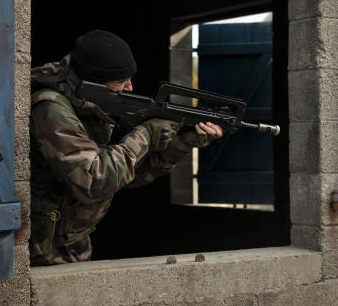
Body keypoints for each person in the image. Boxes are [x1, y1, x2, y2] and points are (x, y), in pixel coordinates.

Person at [28, 29, 222, 264]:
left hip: (71, 244)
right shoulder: (51, 110)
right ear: (92, 81)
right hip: (41, 253)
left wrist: (182, 143)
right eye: (120, 81)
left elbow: (126, 176)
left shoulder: (89, 106)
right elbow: (94, 183)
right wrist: (146, 135)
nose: (129, 87)